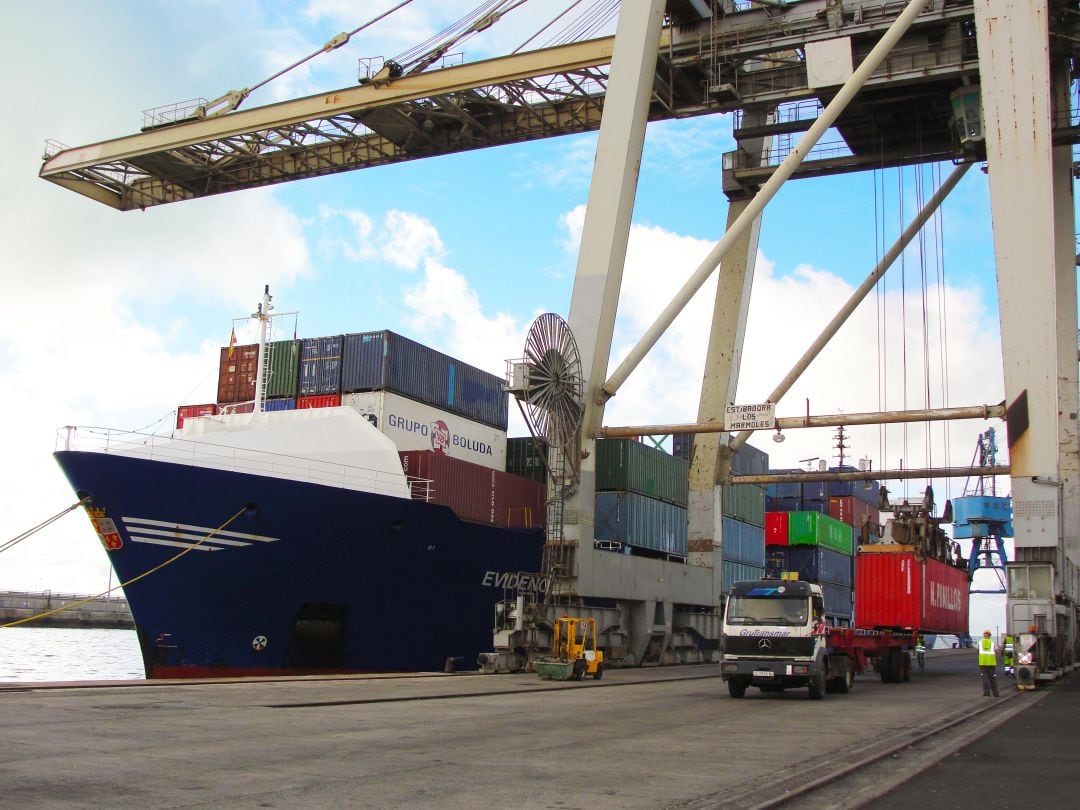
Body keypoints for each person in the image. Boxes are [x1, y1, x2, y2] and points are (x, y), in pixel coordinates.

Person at [978, 629, 1000, 697]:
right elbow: (997, 651)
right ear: (990, 635)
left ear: (983, 635)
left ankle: (986, 693)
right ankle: (995, 693)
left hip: (982, 663)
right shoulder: (993, 643)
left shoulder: (980, 642)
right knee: (993, 678)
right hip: (991, 663)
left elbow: (977, 651)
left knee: (984, 678)